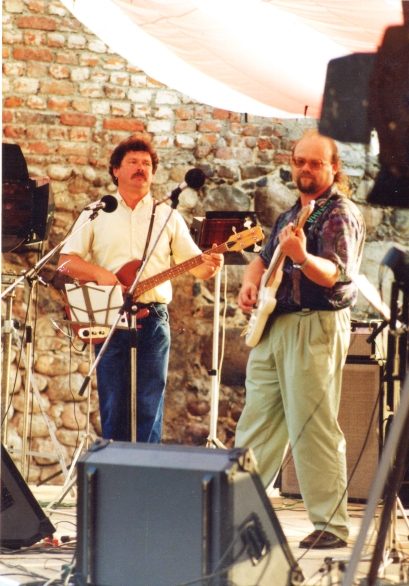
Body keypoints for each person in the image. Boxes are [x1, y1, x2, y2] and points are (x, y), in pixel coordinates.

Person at [235, 130, 365, 549]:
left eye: (315, 162)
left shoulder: (339, 213)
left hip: (314, 324)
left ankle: (331, 525)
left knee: (313, 426)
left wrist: (302, 257)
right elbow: (261, 260)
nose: (305, 169)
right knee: (256, 423)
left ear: (334, 168)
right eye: (299, 161)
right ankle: (236, 517)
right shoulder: (292, 212)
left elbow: (336, 274)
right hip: (276, 323)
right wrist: (249, 284)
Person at [58, 134, 223, 443]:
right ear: (115, 170)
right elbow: (65, 262)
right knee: (113, 405)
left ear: (153, 173)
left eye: (146, 164)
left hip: (154, 318)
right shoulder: (97, 212)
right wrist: (101, 274)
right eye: (132, 162)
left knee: (149, 407)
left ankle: (146, 469)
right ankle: (114, 469)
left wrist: (212, 263)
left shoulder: (168, 216)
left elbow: (197, 267)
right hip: (111, 316)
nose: (140, 168)